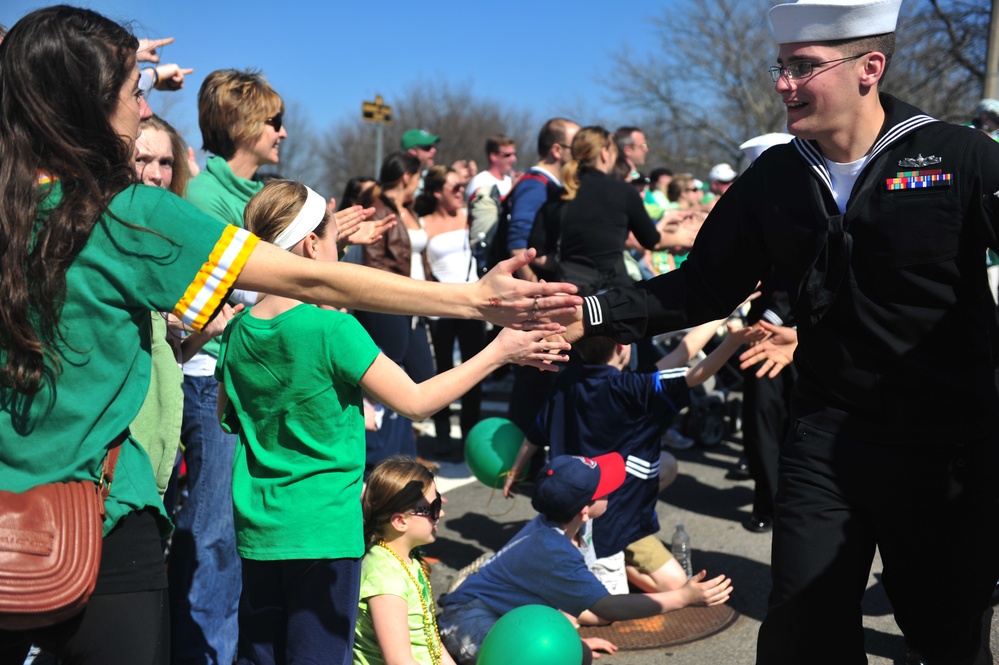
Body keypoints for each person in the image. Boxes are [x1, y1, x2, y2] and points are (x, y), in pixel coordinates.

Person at [0, 8, 581, 662]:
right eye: (136, 90)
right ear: (88, 101)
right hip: (98, 515)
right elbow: (323, 286)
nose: (146, 110)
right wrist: (473, 301)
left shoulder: (16, 205)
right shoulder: (125, 217)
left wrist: (95, 65)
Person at [565, 0, 999, 662]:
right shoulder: (776, 176)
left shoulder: (957, 156)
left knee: (945, 633)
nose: (781, 84)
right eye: (781, 66)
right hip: (824, 442)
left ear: (868, 68)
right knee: (802, 633)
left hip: (944, 448)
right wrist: (588, 310)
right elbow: (699, 286)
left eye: (802, 66)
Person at [216, 181, 569, 665]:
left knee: (260, 657)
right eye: (334, 238)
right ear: (310, 245)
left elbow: (225, 415)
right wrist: (499, 351)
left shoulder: (238, 331)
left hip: (258, 531)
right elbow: (418, 401)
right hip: (323, 531)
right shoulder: (332, 328)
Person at [503, 330, 760, 593]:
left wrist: (514, 471)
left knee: (667, 464)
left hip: (576, 503)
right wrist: (731, 340)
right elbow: (693, 370)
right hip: (613, 514)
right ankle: (601, 560)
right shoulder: (631, 387)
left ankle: (585, 548)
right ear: (622, 346)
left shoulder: (568, 380)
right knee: (674, 585)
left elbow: (537, 430)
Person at [438, 453, 732, 664]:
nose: (612, 490)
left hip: (512, 611)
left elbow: (595, 606)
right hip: (468, 617)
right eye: (604, 490)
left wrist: (565, 640)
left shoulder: (572, 522)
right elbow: (607, 605)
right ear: (585, 509)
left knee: (581, 655)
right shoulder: (554, 549)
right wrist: (683, 597)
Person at [354, 457, 458, 665]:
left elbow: (432, 642)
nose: (442, 513)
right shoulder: (385, 578)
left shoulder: (407, 558)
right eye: (434, 506)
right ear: (401, 521)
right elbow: (399, 661)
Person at [416, 166, 487, 459]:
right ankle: (443, 434)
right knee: (442, 371)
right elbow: (421, 266)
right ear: (437, 193)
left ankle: (471, 437)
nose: (460, 192)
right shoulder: (424, 223)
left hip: (473, 305)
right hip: (440, 306)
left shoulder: (471, 218)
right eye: (453, 188)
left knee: (476, 370)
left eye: (462, 187)